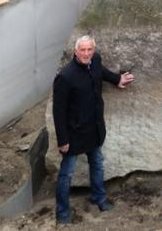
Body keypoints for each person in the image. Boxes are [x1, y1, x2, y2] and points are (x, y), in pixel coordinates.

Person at [52, 35, 134, 224]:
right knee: (67, 174)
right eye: (83, 50)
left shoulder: (95, 61)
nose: (87, 53)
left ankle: (99, 198)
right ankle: (63, 214)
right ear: (75, 51)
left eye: (90, 50)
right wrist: (62, 140)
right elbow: (59, 112)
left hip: (94, 128)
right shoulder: (65, 77)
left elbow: (101, 72)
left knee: (97, 163)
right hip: (73, 133)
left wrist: (117, 79)